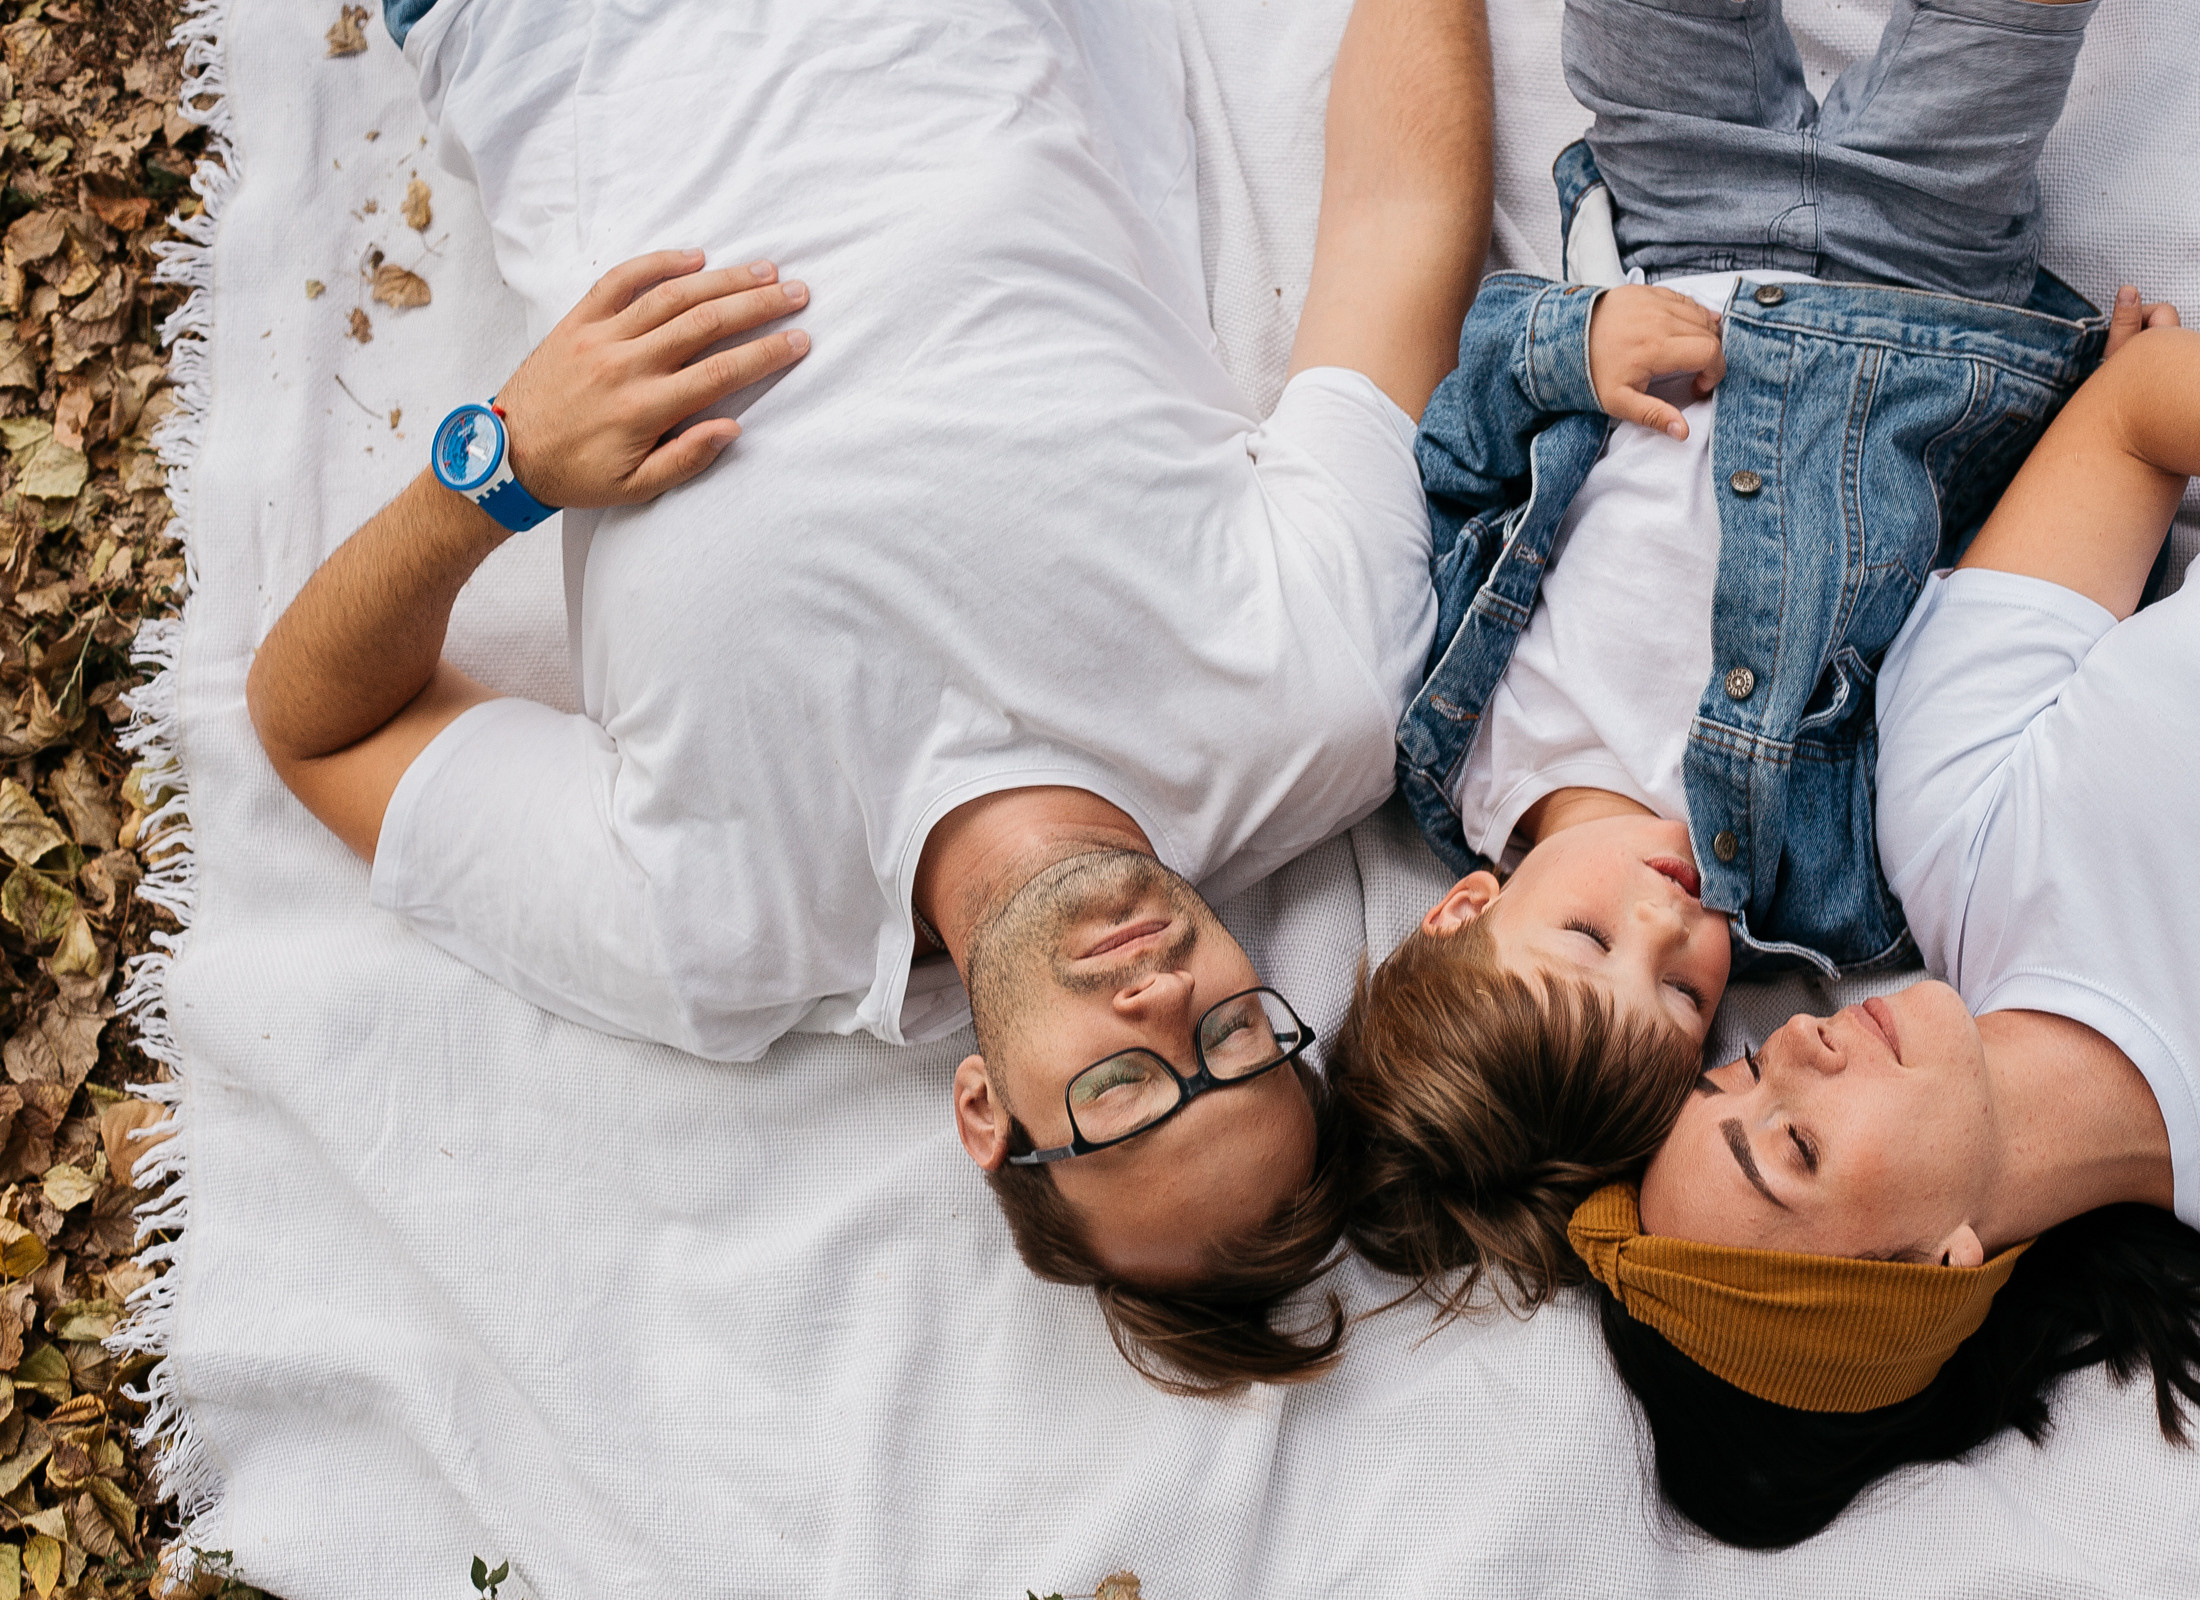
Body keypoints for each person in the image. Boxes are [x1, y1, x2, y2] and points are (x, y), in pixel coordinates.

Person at [243, 0, 1495, 1392]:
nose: (1162, 1001)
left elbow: (318, 720)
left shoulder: (712, 930)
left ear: (985, 1114)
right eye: (1233, 1039)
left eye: (1125, 1093)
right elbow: (1397, 222)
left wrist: (502, 467)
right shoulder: (1314, 705)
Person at [1330, 0, 2154, 1309]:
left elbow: (1456, 456)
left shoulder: (1442, 732)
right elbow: (1993, 640)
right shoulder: (1829, 884)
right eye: (1678, 999)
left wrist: (1568, 342)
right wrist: (2100, 426)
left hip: (1679, 208)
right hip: (1922, 277)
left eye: (1591, 932)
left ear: (1469, 910)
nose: (1665, 920)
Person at [1590, 225, 2200, 1546]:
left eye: (1734, 1075)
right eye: (1792, 1144)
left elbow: (2141, 411)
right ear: (1928, 1275)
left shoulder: (1950, 830)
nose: (1789, 1041)